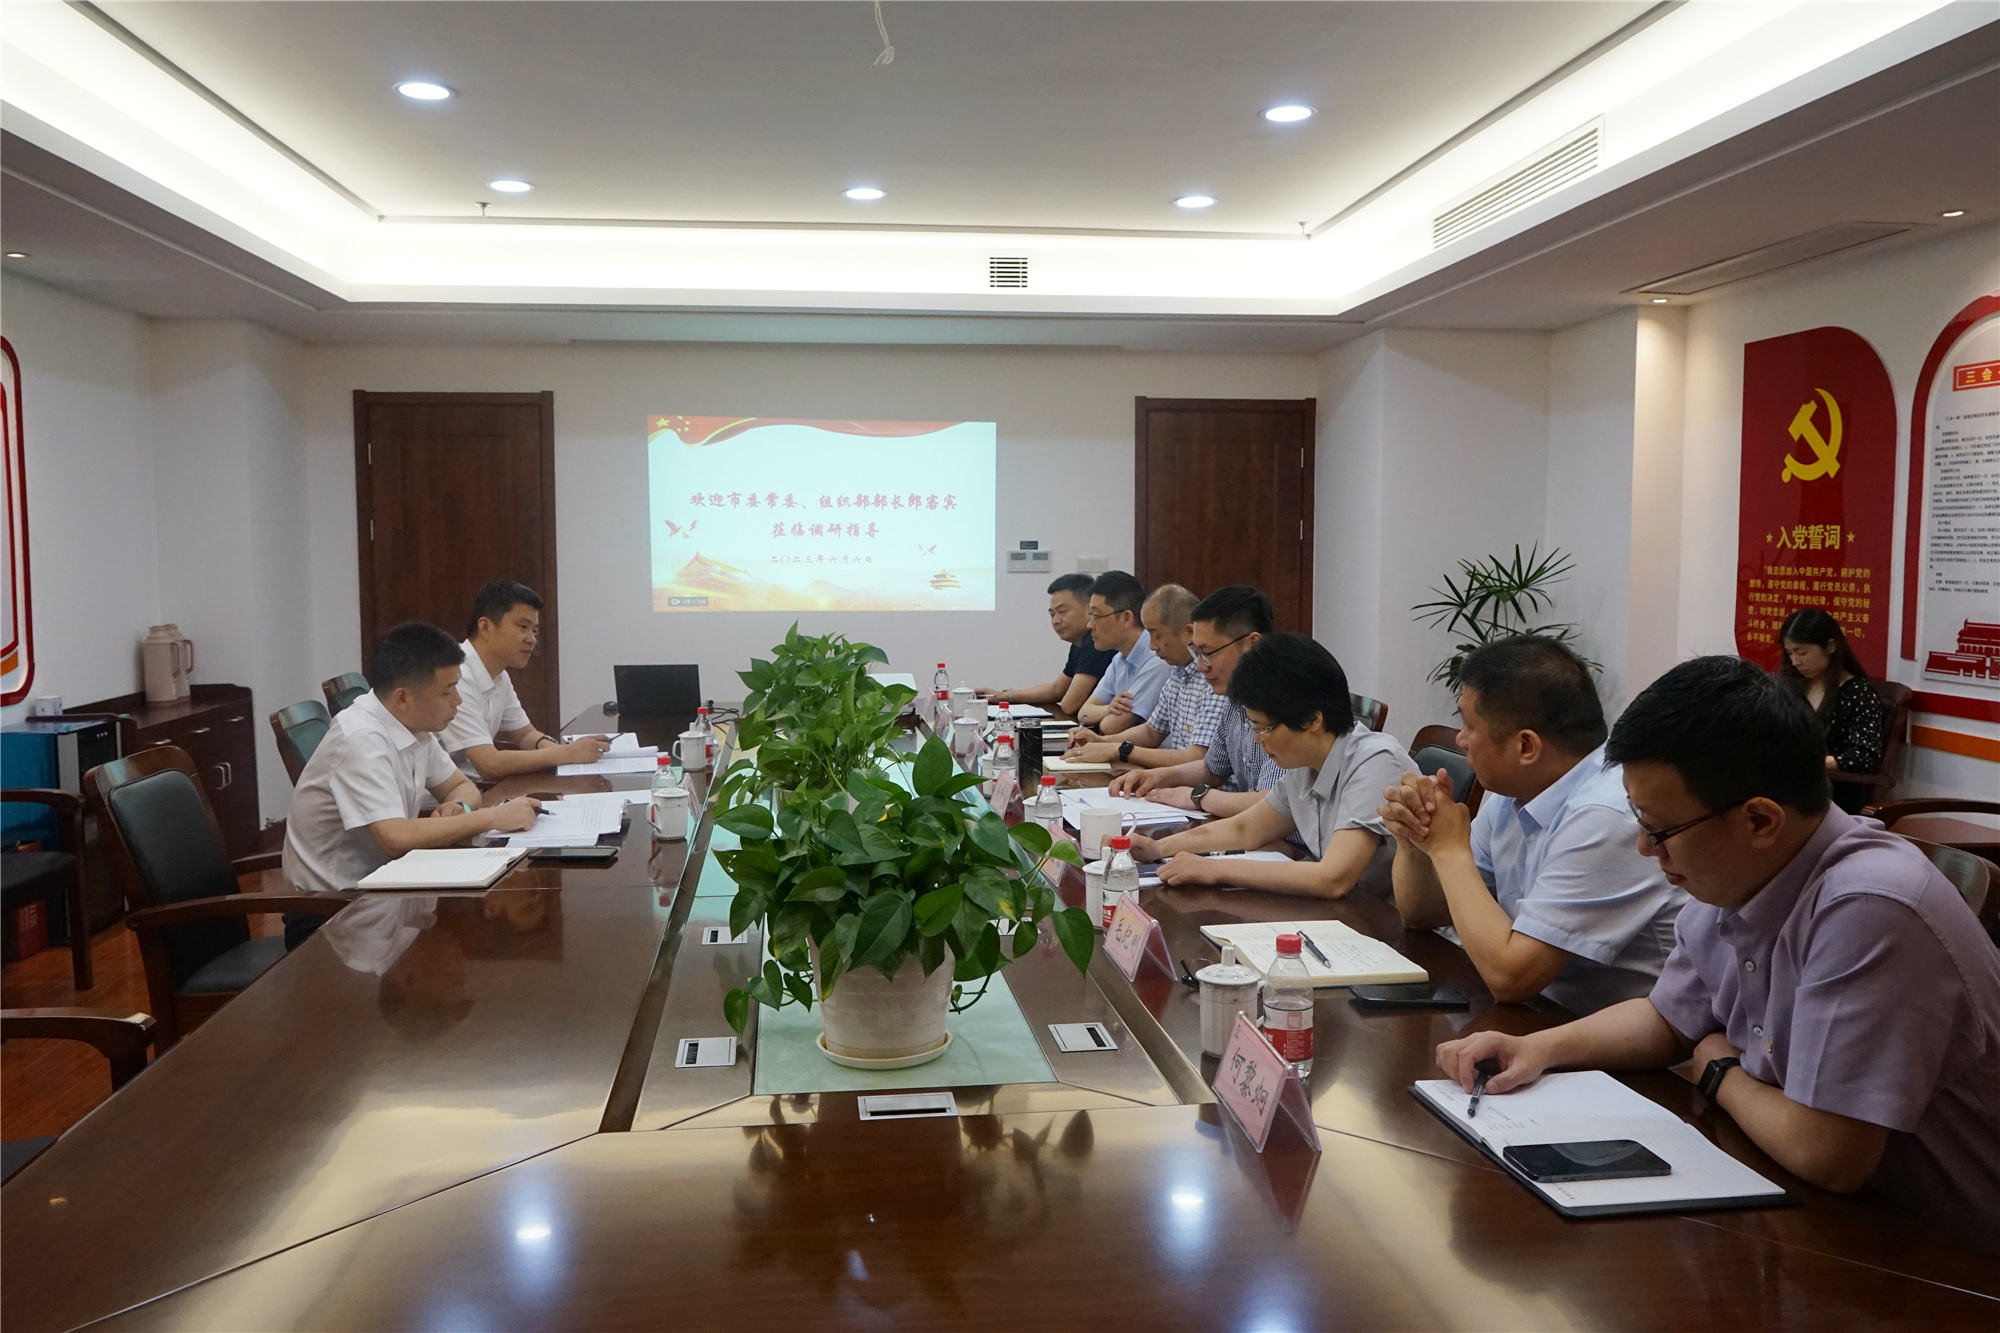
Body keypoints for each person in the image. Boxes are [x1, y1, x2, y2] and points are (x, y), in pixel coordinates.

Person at [1435, 656, 2000, 1251]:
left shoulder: (1869, 906)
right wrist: (1539, 1049)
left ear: (1759, 820)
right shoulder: (1739, 872)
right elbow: (1667, 1017)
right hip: (1818, 1209)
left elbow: (1827, 1152)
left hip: (1947, 1253)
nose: (1644, 847)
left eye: (1659, 830)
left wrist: (1718, 1069)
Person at [1380, 635, 1686, 1014]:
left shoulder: (1606, 814)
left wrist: (1449, 849)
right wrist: (1416, 839)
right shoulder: (1515, 792)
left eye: (1469, 725)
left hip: (1617, 1040)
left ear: (1526, 746)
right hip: (1540, 1016)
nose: (1461, 739)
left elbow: (1511, 978)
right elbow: (1423, 914)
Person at [282, 622, 541, 948]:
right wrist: (492, 817)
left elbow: (461, 786)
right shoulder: (361, 738)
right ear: (404, 697)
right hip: (332, 914)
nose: (458, 701)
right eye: (447, 691)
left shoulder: (414, 724)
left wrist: (458, 808)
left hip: (387, 889)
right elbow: (394, 838)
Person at [1126, 633, 1413, 898]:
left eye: (1264, 728)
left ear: (1312, 720)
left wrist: (1215, 869)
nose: (1257, 738)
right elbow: (1245, 829)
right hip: (1346, 911)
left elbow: (1333, 878)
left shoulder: (1375, 761)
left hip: (1387, 920)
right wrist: (1158, 848)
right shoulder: (1306, 767)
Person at [1109, 584, 1280, 818]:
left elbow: (1272, 803)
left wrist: (1198, 797)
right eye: (1196, 654)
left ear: (1251, 644)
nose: (1200, 666)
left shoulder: (1284, 702)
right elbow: (1212, 769)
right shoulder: (1235, 701)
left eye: (1208, 653)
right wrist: (1156, 777)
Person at [439, 579, 611, 780]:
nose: (532, 639)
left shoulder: (500, 675)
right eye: (523, 627)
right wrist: (566, 753)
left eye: (534, 630)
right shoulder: (457, 676)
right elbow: (489, 764)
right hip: (447, 796)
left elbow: (526, 735)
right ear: (485, 627)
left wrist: (568, 752)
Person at [1063, 583, 1226, 769]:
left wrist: (1119, 750)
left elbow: (1197, 759)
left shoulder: (1213, 679)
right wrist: (1101, 742)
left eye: (1156, 636)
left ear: (1188, 632)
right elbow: (1151, 732)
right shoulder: (1178, 673)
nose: (1152, 646)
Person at [1776, 606, 1888, 814]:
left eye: (1802, 652)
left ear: (1830, 646)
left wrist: (1811, 763)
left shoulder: (1857, 693)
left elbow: (1863, 757)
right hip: (1789, 785)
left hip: (1831, 794)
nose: (1795, 662)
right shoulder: (1791, 686)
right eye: (1790, 653)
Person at [979, 573, 1115, 717]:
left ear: (1090, 610)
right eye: (1052, 614)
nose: (1056, 621)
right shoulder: (1080, 643)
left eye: (1062, 612)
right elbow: (1056, 690)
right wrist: (1004, 696)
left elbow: (1070, 705)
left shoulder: (1096, 643)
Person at [1073, 570, 1171, 736]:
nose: (1089, 625)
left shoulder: (1157, 658)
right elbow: (1084, 712)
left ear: (1126, 618)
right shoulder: (1119, 659)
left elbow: (1112, 726)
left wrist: (1106, 713)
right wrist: (1108, 709)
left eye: (1096, 616)